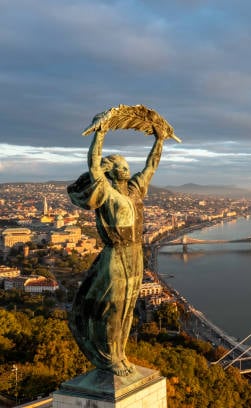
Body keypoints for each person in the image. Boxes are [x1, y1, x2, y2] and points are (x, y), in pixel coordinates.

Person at [67, 125, 168, 376]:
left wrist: (160, 139)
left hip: (136, 254)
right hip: (117, 253)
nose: (126, 168)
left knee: (127, 310)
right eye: (121, 166)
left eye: (126, 165)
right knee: (113, 309)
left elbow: (151, 166)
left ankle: (120, 355)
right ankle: (109, 357)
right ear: (111, 171)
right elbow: (93, 165)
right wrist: (100, 134)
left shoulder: (134, 190)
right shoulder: (105, 191)